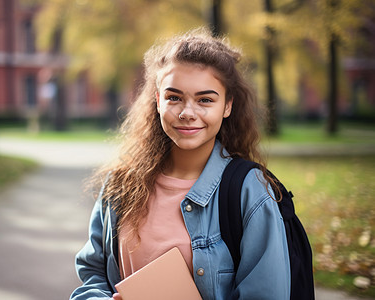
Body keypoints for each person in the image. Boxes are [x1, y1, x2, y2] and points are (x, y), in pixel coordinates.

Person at [70, 28, 290, 300]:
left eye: (205, 100)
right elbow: (93, 273)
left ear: (227, 106)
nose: (187, 113)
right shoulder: (120, 184)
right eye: (174, 97)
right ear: (158, 101)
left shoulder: (249, 191)